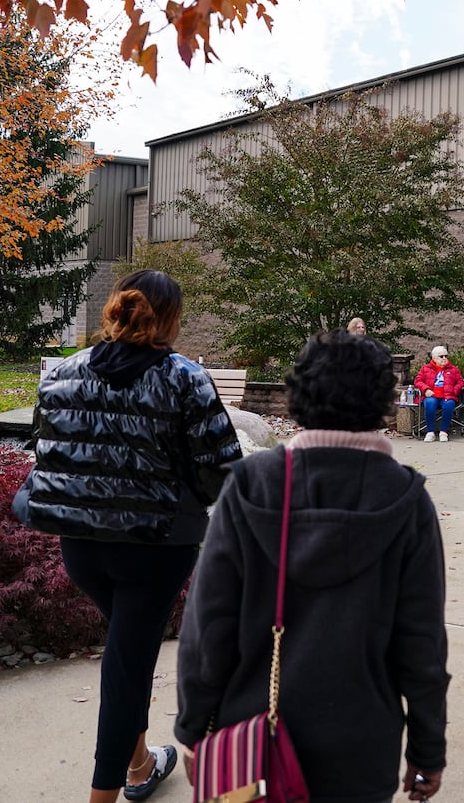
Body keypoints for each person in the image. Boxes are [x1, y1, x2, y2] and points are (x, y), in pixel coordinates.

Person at [176, 330, 449, 803]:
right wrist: (428, 748)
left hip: (252, 744)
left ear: (297, 396)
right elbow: (421, 644)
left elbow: (208, 624)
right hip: (363, 751)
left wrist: (195, 725)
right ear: (383, 402)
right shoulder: (407, 500)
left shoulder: (250, 486)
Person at [13, 269, 242, 803]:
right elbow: (219, 470)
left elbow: (48, 452)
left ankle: (140, 765)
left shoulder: (61, 373)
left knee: (126, 653)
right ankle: (107, 792)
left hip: (81, 548)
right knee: (126, 672)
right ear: (171, 317)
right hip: (155, 550)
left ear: (116, 308)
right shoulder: (184, 378)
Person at [414, 345, 464, 442]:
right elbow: (418, 381)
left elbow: (460, 382)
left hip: (447, 395)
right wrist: (426, 390)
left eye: (446, 356)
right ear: (434, 358)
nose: (444, 358)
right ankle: (430, 432)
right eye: (441, 356)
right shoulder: (425, 369)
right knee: (430, 403)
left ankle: (443, 432)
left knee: (449, 404)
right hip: (431, 394)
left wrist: (453, 392)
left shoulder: (453, 369)